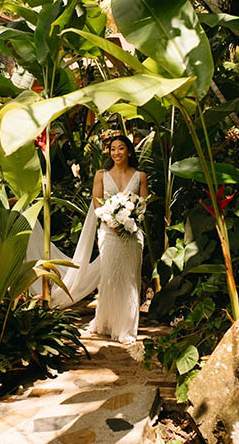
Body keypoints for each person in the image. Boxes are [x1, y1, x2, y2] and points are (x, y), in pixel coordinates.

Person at [89, 135, 148, 345]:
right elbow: (97, 205)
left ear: (129, 151)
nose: (116, 153)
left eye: (121, 148)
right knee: (110, 278)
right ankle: (105, 322)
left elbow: (142, 205)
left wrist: (129, 220)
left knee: (130, 279)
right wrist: (112, 222)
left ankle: (126, 329)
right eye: (112, 149)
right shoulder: (101, 175)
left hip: (131, 234)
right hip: (108, 233)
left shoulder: (140, 175)